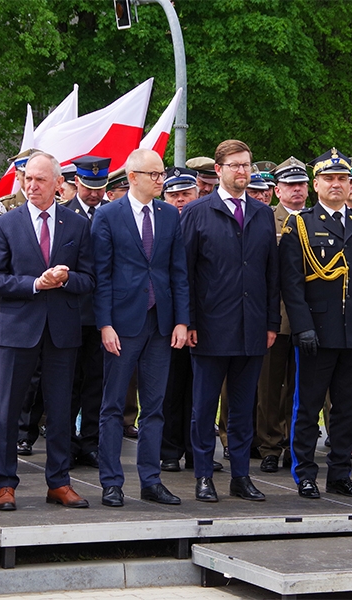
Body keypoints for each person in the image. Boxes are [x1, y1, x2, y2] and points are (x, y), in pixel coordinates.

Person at [0, 152, 95, 511]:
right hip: (18, 330)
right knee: (8, 409)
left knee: (61, 410)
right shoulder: (5, 224)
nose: (31, 186)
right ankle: (5, 484)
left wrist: (65, 278)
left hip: (62, 331)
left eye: (40, 180)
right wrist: (35, 283)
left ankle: (59, 482)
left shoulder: (76, 226)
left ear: (58, 184)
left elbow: (90, 278)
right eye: (27, 179)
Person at [280, 148, 352, 499]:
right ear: (316, 184)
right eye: (329, 179)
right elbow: (292, 283)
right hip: (317, 331)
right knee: (308, 406)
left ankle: (340, 473)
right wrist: (302, 326)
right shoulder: (300, 224)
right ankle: (306, 474)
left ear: (351, 186)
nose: (336, 185)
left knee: (347, 407)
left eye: (342, 179)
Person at [182, 139, 279, 503]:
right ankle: (204, 475)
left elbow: (271, 273)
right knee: (205, 407)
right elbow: (185, 274)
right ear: (219, 170)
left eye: (247, 165)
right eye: (235, 165)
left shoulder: (261, 212)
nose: (243, 171)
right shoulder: (197, 212)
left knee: (242, 409)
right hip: (209, 328)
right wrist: (188, 321)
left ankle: (241, 475)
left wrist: (272, 322)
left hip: (252, 326)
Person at [91, 148, 189, 507]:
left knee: (155, 405)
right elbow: (101, 275)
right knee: (113, 405)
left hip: (160, 323)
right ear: (132, 177)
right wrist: (105, 324)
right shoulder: (108, 216)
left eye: (161, 174)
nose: (160, 181)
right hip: (122, 322)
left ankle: (151, 480)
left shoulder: (168, 215)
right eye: (154, 175)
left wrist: (181, 320)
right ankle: (111, 482)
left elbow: (178, 271)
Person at [255, 157, 310, 474]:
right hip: (274, 317)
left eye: (301, 185)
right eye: (290, 185)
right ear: (277, 190)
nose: (297, 191)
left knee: (300, 389)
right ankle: (270, 446)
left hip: (307, 319)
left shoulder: (316, 220)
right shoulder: (266, 219)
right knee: (269, 388)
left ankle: (294, 444)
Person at [61, 155, 110, 468]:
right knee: (66, 383)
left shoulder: (111, 214)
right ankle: (64, 442)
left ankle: (90, 442)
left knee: (96, 381)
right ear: (76, 182)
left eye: (100, 187)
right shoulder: (64, 215)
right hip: (69, 312)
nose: (94, 193)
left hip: (102, 312)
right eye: (89, 186)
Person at [160, 167, 201, 473]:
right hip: (168, 319)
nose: (180, 200)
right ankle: (170, 450)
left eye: (185, 194)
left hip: (201, 319)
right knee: (171, 389)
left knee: (199, 390)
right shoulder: (160, 223)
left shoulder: (204, 219)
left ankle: (195, 449)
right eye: (173, 195)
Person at [0, 148, 36, 214]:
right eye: (25, 175)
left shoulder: (54, 203)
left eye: (38, 176)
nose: (32, 181)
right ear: (16, 175)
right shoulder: (2, 206)